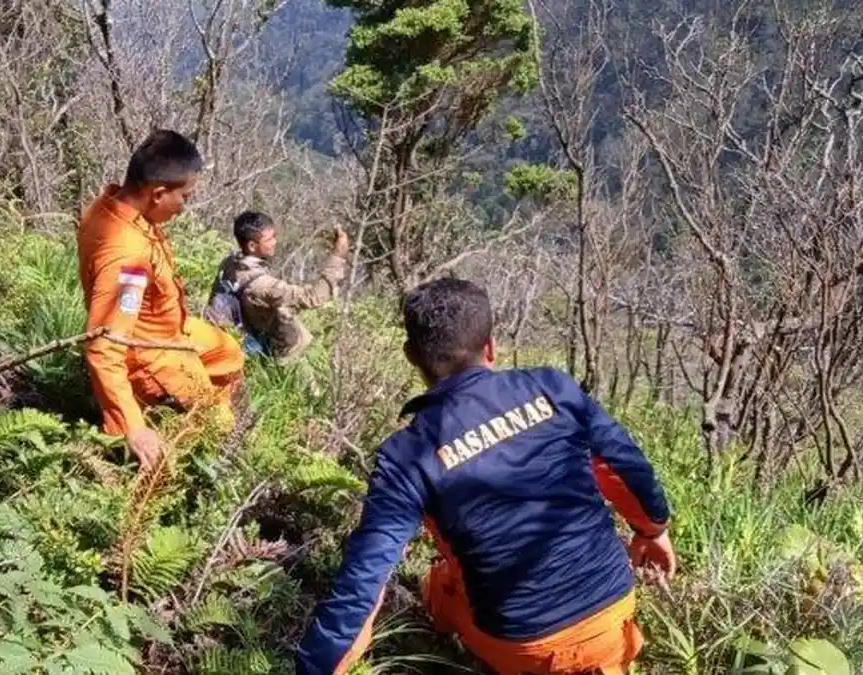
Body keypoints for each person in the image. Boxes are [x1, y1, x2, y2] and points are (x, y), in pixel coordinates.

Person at [294, 278, 676, 675]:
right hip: (613, 610)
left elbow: (364, 584)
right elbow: (624, 465)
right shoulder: (554, 388)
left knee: (438, 584)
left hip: (522, 647)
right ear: (491, 347)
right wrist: (653, 530)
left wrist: (315, 668)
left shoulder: (406, 455)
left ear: (411, 356)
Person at [77, 129, 245, 470]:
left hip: (171, 330)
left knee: (228, 353)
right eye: (185, 196)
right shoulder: (128, 256)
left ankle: (192, 404)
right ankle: (174, 430)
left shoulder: (112, 204)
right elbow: (104, 344)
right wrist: (133, 427)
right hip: (150, 355)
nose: (185, 206)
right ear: (157, 194)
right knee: (220, 425)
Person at [205, 211, 348, 363]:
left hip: (242, 333)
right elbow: (313, 297)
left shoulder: (229, 263)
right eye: (270, 238)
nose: (275, 242)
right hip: (273, 352)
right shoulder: (264, 286)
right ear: (252, 246)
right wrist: (338, 255)